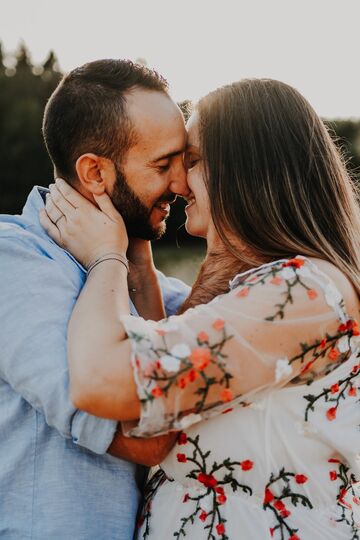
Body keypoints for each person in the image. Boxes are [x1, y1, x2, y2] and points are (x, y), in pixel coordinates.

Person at [42, 79, 360, 539]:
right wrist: (140, 272)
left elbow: (102, 381)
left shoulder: (305, 293)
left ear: (245, 168)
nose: (177, 182)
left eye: (190, 162)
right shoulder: (259, 292)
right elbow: (151, 413)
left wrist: (105, 258)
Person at [0, 59, 191, 539]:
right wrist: (115, 261)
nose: (182, 185)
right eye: (163, 164)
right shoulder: (13, 260)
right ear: (95, 173)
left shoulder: (137, 278)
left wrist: (137, 270)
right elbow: (143, 437)